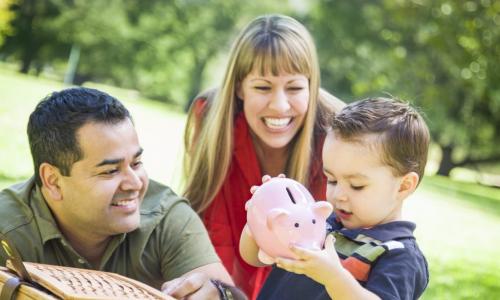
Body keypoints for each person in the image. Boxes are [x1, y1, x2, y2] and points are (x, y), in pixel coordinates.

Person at [0, 87, 247, 300]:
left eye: (136, 163)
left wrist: (219, 292)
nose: (134, 183)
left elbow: (225, 292)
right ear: (53, 181)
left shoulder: (166, 218)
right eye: (110, 171)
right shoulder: (7, 227)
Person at [183, 14, 345, 298]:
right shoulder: (210, 116)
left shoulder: (336, 133)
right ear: (239, 87)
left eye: (294, 87)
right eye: (262, 87)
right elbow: (209, 220)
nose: (280, 105)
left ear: (312, 86)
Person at [240, 97, 430, 299]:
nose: (338, 195)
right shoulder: (321, 224)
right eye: (331, 180)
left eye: (357, 185)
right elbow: (255, 258)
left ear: (403, 186)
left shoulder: (399, 255)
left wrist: (333, 277)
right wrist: (258, 222)